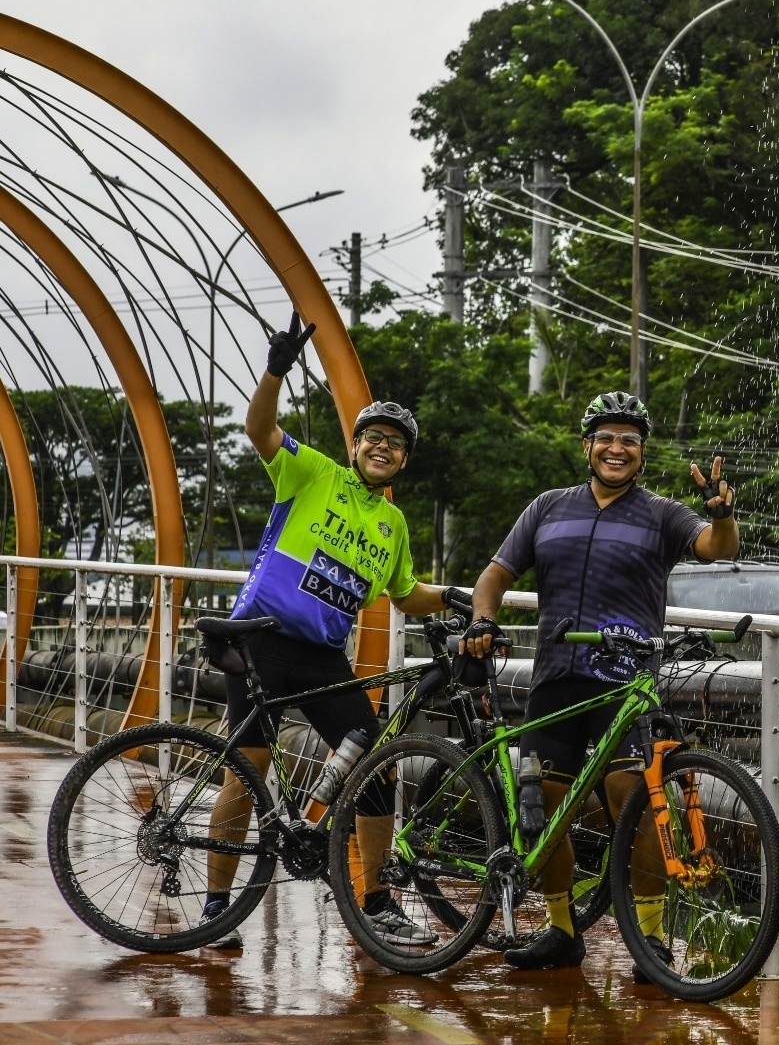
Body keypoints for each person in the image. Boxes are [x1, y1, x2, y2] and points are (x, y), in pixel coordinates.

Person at [464, 390, 738, 971]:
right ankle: (562, 930)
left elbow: (716, 548)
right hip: (557, 679)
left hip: (624, 682)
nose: (618, 449)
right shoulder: (547, 508)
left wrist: (720, 512)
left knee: (634, 803)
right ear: (587, 446)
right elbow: (495, 573)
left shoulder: (662, 513)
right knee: (546, 806)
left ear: (642, 453)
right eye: (607, 439)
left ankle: (652, 938)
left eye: (629, 442)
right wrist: (482, 620)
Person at [203, 312, 451, 949]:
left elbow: (405, 593)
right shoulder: (311, 471)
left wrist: (457, 597)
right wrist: (276, 370)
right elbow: (258, 429)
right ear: (355, 443)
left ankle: (374, 900)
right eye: (373, 436)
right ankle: (216, 905)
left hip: (321, 655)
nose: (382, 446)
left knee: (371, 765)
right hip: (258, 641)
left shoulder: (392, 525)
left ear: (403, 460)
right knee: (247, 771)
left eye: (395, 443)